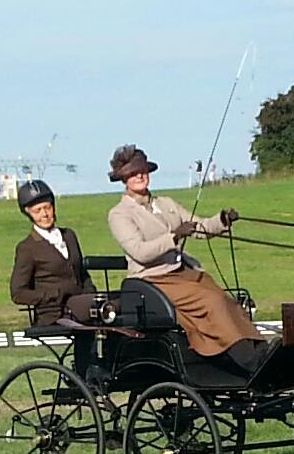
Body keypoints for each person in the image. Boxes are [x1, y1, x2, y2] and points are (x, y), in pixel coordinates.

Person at [106, 144, 264, 370]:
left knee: (227, 300)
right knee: (211, 301)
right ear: (124, 178)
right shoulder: (120, 214)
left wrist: (221, 221)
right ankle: (247, 359)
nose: (140, 176)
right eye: (133, 173)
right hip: (153, 279)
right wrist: (174, 236)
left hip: (184, 273)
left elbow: (198, 227)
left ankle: (259, 347)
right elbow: (140, 252)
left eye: (143, 170)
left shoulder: (166, 204)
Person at [10, 180, 96, 325]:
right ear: (28, 213)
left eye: (47, 208)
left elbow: (81, 273)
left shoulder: (69, 235)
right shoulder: (27, 248)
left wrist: (91, 293)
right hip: (53, 314)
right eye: (37, 211)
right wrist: (53, 295)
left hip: (81, 307)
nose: (44, 214)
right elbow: (18, 293)